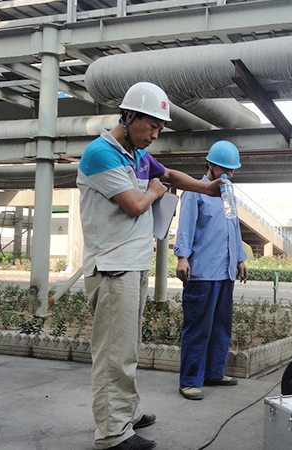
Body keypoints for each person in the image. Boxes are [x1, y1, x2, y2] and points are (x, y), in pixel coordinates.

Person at [77, 82, 223, 450]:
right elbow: (135, 205)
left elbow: (169, 175)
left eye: (161, 128)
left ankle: (127, 411)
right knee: (114, 353)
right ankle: (112, 432)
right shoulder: (101, 154)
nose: (156, 134)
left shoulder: (137, 155)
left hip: (132, 265)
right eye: (152, 126)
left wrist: (207, 189)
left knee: (127, 348)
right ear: (129, 116)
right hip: (112, 269)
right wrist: (156, 191)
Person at [174, 140, 248, 401]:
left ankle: (214, 372)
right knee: (198, 327)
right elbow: (186, 226)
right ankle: (190, 380)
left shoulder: (228, 194)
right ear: (211, 165)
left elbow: (233, 228)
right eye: (224, 169)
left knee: (221, 326)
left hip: (225, 272)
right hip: (202, 273)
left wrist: (240, 259)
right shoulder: (194, 193)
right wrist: (182, 257)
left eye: (233, 170)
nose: (229, 174)